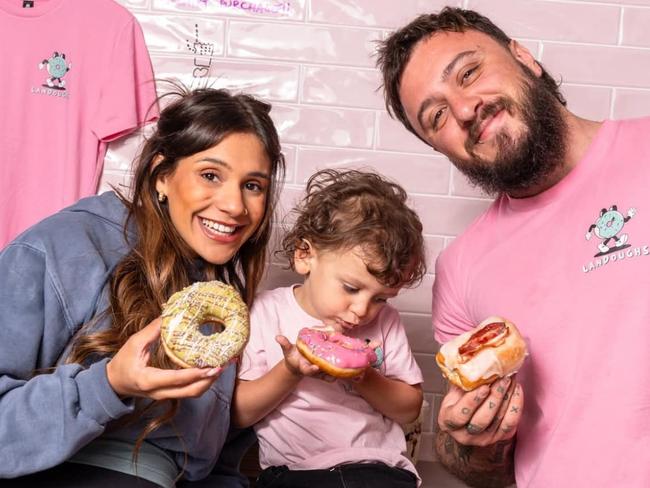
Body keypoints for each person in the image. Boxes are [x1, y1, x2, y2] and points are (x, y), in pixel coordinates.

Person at [377, 6, 650, 488]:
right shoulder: (461, 268)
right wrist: (471, 443)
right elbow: (479, 469)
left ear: (524, 58)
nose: (464, 108)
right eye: (437, 115)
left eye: (469, 71)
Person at [0, 87, 285, 488]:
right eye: (210, 175)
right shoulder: (65, 246)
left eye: (253, 185)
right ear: (162, 174)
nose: (235, 206)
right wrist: (110, 383)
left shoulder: (217, 301)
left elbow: (210, 460)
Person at [232, 169, 427, 488]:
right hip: (295, 473)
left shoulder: (386, 321)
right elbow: (240, 413)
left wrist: (363, 376)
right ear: (305, 255)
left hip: (376, 467)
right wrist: (291, 370)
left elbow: (409, 409)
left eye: (380, 298)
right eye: (351, 288)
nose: (363, 310)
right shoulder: (267, 312)